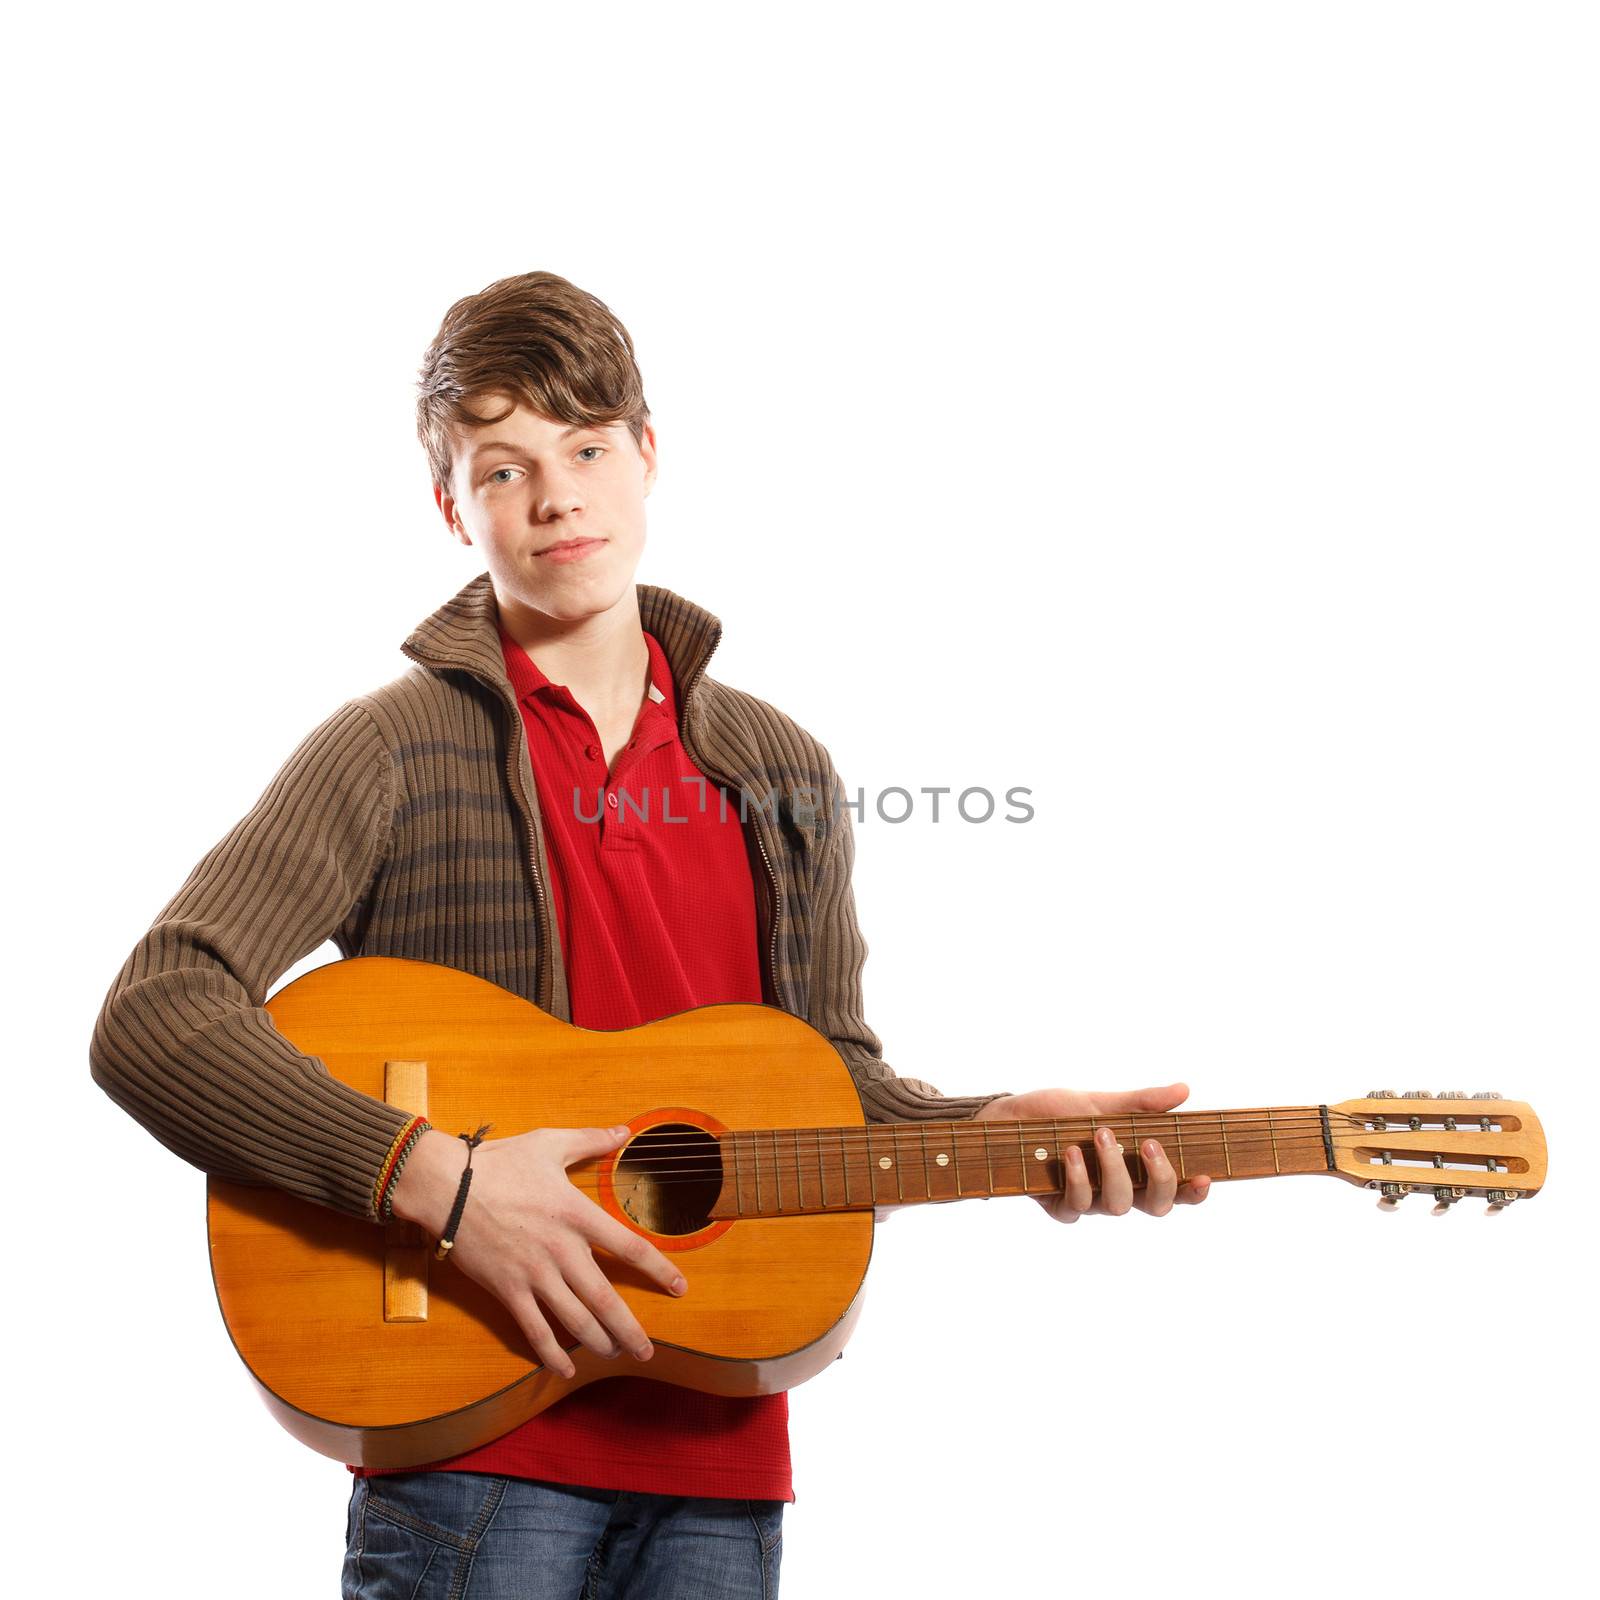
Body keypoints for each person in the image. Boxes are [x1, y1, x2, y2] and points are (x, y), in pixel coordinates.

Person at [89, 269, 1211, 1599]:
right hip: (474, 1461)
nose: (557, 495)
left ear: (648, 455)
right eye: (502, 468)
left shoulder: (781, 771)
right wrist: (435, 1180)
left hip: (723, 1469)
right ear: (453, 506)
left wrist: (1007, 1129)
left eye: (586, 446)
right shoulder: (390, 751)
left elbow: (827, 1092)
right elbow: (157, 1009)